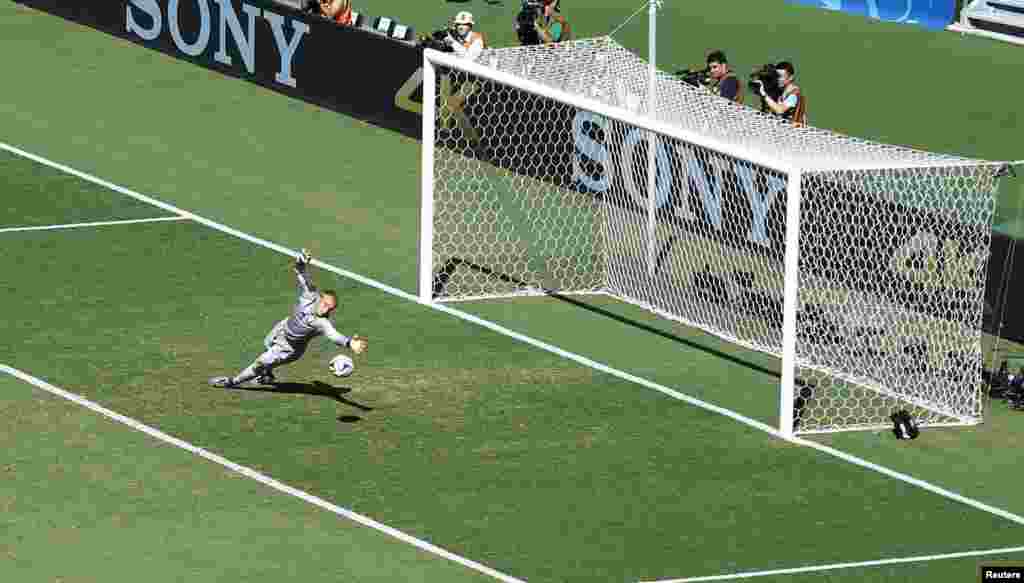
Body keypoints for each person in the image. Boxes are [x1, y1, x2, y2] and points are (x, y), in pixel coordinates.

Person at [209, 249, 367, 388]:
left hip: (289, 348)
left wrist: (350, 343)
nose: (326, 310)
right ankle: (267, 374)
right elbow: (299, 271)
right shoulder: (309, 295)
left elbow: (334, 335)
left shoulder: (322, 323)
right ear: (319, 298)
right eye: (325, 304)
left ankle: (232, 382)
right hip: (283, 327)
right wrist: (301, 261)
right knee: (267, 344)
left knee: (261, 362)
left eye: (330, 309)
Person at [443, 11, 487, 153]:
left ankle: (471, 141)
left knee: (454, 103)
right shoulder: (456, 37)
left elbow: (468, 60)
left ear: (470, 26)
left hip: (480, 79)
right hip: (464, 77)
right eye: (459, 25)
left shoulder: (477, 39)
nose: (461, 27)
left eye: (464, 25)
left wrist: (452, 43)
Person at [755, 61, 806, 126]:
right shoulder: (779, 90)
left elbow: (780, 110)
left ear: (791, 78)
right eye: (776, 76)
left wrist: (764, 94)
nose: (778, 79)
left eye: (781, 76)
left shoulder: (794, 94)